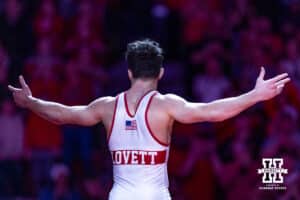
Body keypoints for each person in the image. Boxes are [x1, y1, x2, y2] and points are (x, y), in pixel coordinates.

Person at [8, 39, 290, 200]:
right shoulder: (166, 106)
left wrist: (31, 103)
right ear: (162, 73)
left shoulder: (107, 107)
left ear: (129, 72)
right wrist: (254, 95)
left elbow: (63, 115)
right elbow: (212, 112)